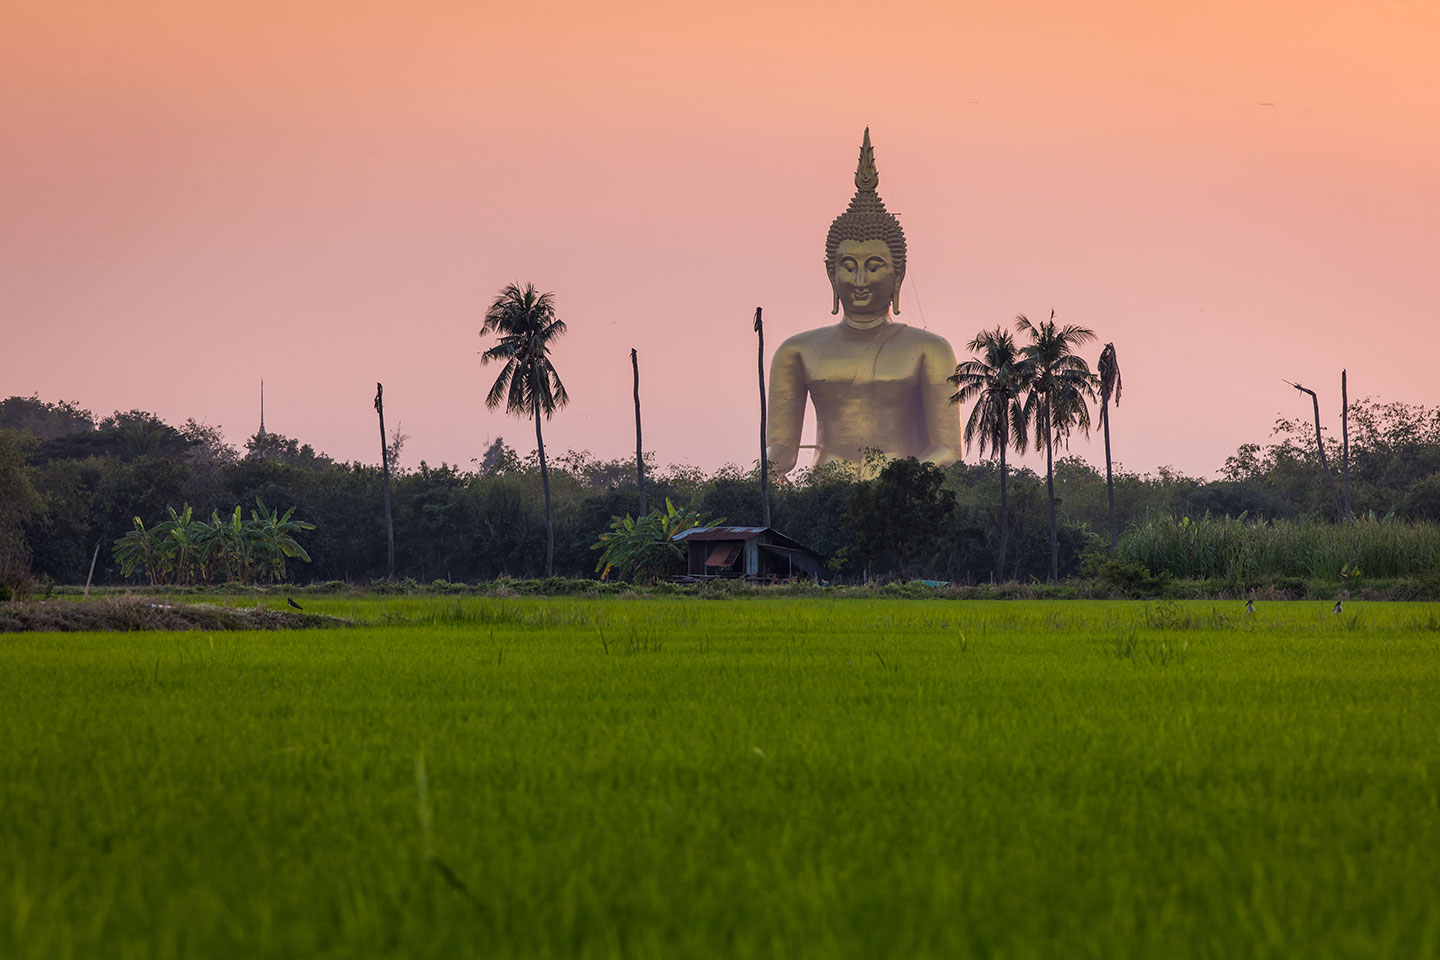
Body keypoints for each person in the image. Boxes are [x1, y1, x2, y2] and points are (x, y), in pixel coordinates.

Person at [766, 129, 962, 476]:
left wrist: (897, 485)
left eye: (874, 267)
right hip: (826, 492)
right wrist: (753, 481)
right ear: (831, 274)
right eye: (848, 267)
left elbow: (948, 449)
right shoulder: (796, 351)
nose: (859, 282)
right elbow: (782, 453)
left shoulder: (930, 350)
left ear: (897, 274)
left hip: (900, 493)